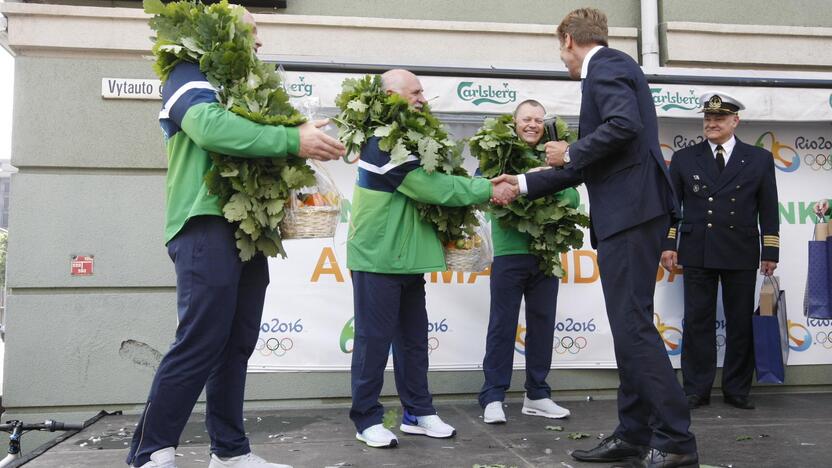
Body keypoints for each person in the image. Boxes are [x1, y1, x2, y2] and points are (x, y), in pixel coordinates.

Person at [126, 9, 346, 468]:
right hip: (203, 220)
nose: (259, 43)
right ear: (222, 33)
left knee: (237, 342)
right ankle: (150, 452)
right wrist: (292, 140)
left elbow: (254, 141)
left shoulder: (241, 90)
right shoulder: (187, 72)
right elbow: (209, 128)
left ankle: (229, 452)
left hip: (247, 230)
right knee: (201, 339)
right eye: (252, 32)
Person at [492, 8, 698, 468]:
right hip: (633, 212)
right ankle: (633, 431)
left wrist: (571, 149)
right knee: (631, 329)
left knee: (633, 328)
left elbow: (620, 129)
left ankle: (676, 438)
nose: (563, 61)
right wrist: (520, 184)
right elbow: (586, 166)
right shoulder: (615, 69)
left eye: (559, 50)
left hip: (630, 214)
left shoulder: (604, 66)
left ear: (568, 39)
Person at [347, 69, 515, 448]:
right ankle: (366, 419)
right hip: (378, 258)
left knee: (413, 341)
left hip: (408, 259)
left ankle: (417, 412)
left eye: (423, 91)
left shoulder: (411, 138)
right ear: (391, 95)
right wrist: (488, 186)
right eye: (416, 92)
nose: (423, 98)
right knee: (374, 341)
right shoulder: (381, 141)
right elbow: (429, 187)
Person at [661, 92, 780, 412]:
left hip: (740, 249)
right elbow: (673, 207)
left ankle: (737, 389)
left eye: (719, 119)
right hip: (697, 248)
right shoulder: (686, 158)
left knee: (740, 322)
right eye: (708, 119)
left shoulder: (758, 159)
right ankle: (696, 389)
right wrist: (669, 244)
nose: (711, 124)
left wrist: (770, 250)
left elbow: (768, 207)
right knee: (697, 321)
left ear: (734, 121)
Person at [479, 100, 579, 425]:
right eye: (526, 119)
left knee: (542, 325)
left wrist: (543, 182)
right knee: (502, 325)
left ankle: (537, 394)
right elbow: (486, 191)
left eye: (538, 119)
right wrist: (532, 184)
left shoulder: (556, 156)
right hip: (509, 253)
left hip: (547, 254)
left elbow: (574, 197)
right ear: (514, 122)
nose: (532, 124)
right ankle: (493, 396)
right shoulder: (496, 154)